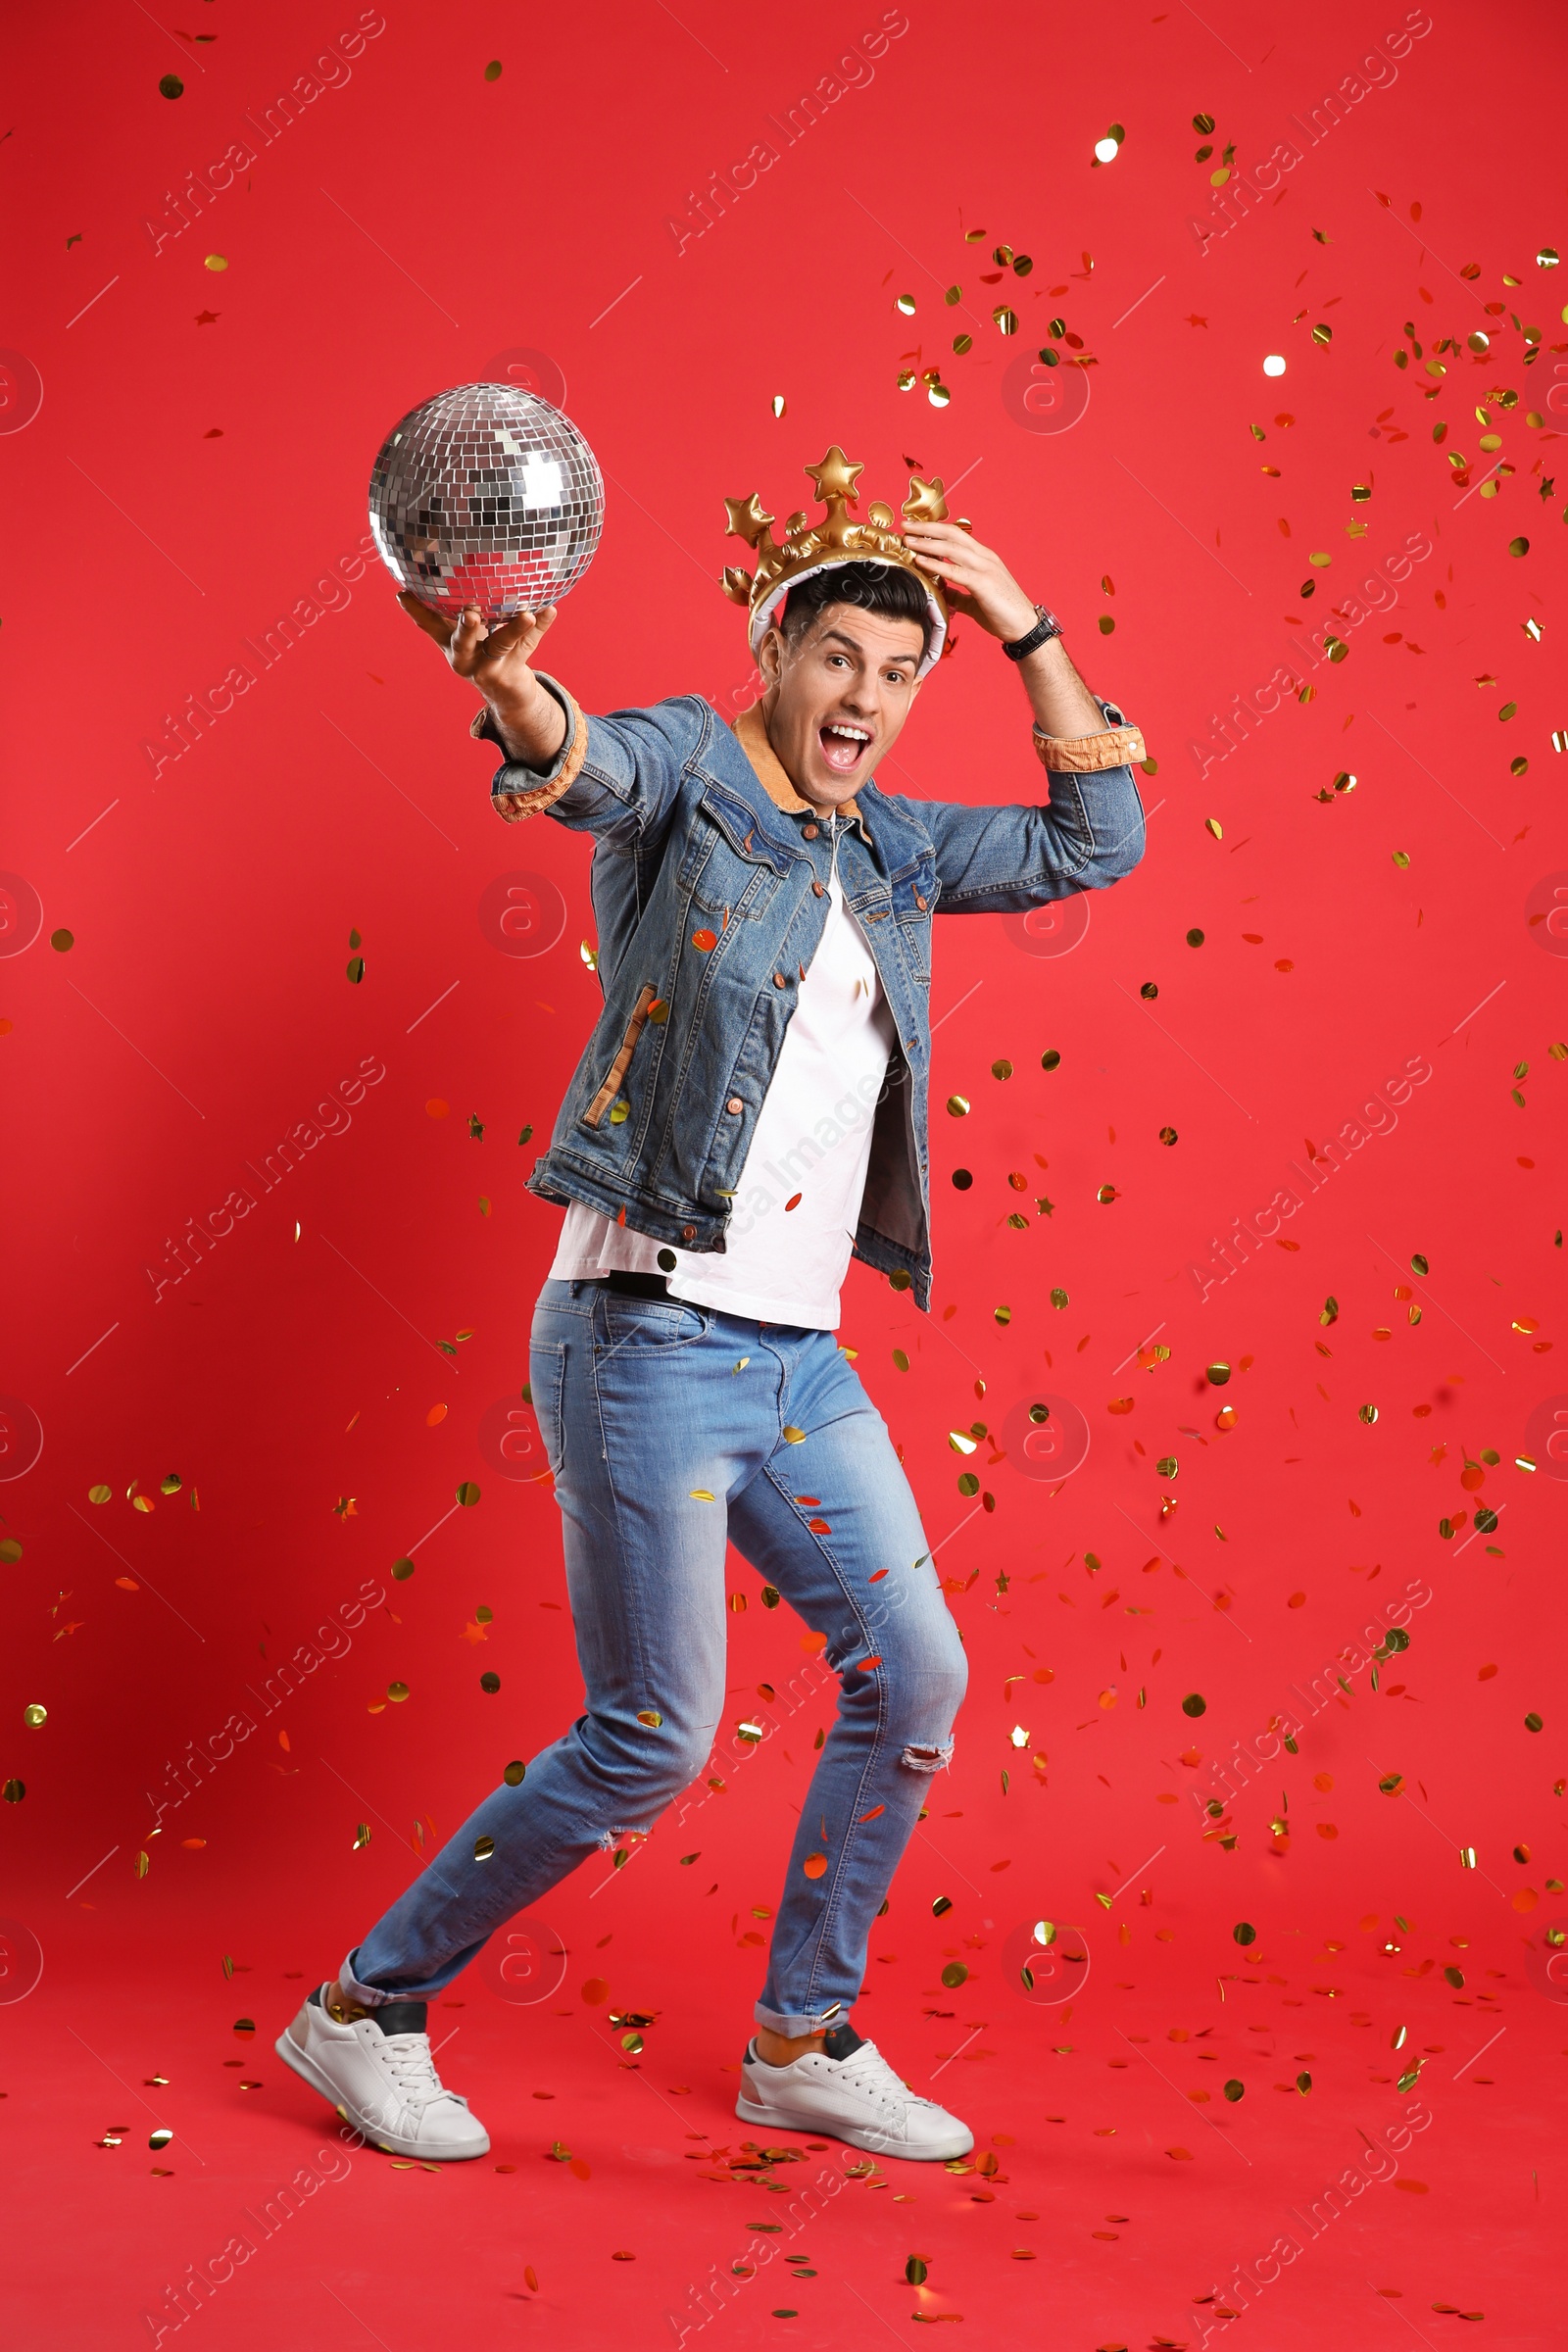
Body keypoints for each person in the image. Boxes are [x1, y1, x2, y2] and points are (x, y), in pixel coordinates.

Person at [277, 446, 1147, 2164]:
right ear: (777, 651)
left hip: (796, 1358)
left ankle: (802, 2039)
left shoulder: (889, 844)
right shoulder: (689, 764)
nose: (871, 701)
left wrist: (1024, 626)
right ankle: (365, 2008)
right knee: (657, 1734)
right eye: (843, 659)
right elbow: (580, 764)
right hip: (644, 1342)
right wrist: (522, 695)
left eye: (903, 676)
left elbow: (1090, 840)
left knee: (913, 1680)